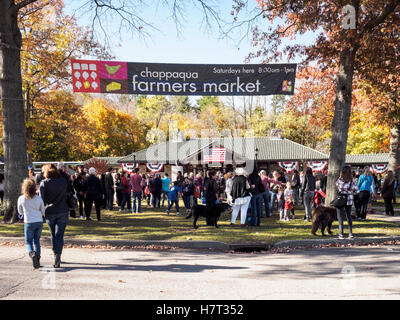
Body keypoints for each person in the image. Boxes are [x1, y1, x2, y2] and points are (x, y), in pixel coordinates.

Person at [39, 163, 69, 268]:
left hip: (50, 211)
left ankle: (55, 253)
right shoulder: (63, 181)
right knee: (59, 235)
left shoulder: (44, 183)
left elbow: (41, 200)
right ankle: (58, 255)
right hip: (63, 210)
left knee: (53, 234)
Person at [18, 178, 45, 269]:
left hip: (28, 221)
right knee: (36, 241)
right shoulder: (38, 198)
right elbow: (43, 211)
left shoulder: (21, 198)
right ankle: (37, 257)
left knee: (28, 241)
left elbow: (20, 212)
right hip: (39, 221)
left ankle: (32, 253)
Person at [335, 165, 359, 239]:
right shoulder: (352, 181)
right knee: (349, 216)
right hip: (349, 200)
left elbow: (338, 186)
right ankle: (350, 233)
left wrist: (344, 191)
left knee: (340, 217)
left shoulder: (340, 180)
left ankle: (341, 234)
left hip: (341, 200)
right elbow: (357, 191)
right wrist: (350, 192)